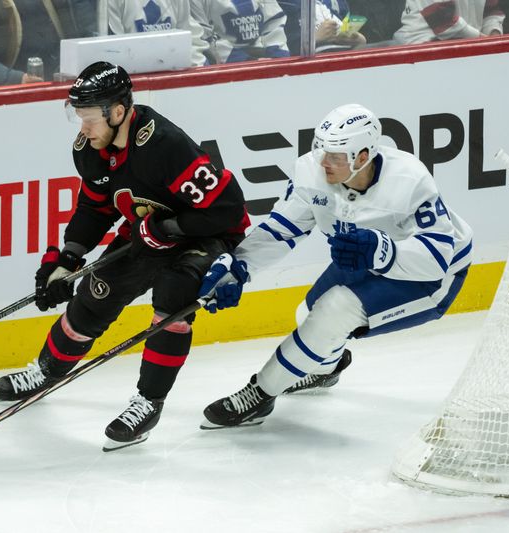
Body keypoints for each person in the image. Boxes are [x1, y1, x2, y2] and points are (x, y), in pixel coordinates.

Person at [0, 61, 250, 450]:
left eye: (90, 118)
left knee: (174, 293)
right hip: (145, 233)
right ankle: (46, 371)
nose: (83, 128)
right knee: (95, 293)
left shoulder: (164, 145)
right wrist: (68, 260)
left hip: (205, 235)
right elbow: (94, 209)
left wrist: (167, 230)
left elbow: (226, 210)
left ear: (118, 111)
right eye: (78, 117)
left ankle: (148, 401)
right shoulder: (90, 150)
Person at [197, 103, 473, 429]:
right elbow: (280, 230)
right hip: (367, 259)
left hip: (431, 276)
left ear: (362, 156)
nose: (324, 161)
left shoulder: (409, 180)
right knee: (310, 315)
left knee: (334, 311)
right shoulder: (313, 173)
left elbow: (437, 259)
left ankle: (260, 393)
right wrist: (239, 268)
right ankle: (325, 371)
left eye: (336, 155)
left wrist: (381, 251)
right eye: (321, 150)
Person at [107, 0, 210, 66]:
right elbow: (114, 51)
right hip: (133, 79)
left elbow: (191, 40)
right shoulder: (110, 2)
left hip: (174, 73)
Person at [190, 0, 290, 64]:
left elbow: (274, 21)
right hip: (224, 70)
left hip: (264, 60)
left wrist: (280, 58)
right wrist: (246, 62)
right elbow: (202, 38)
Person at [393, 0, 505, 44]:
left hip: (468, 49)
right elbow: (443, 21)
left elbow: (491, 10)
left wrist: (494, 35)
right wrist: (486, 42)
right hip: (419, 51)